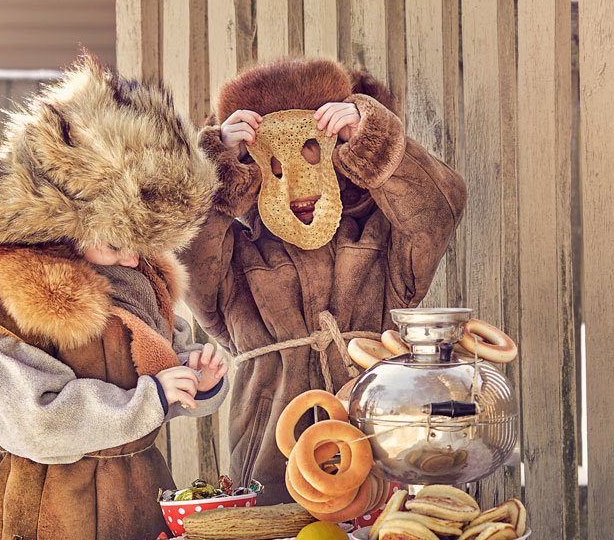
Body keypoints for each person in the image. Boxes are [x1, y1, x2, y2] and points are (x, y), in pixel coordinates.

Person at [0, 54, 224, 540]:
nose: (135, 257)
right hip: (52, 521)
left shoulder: (136, 281)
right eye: (119, 239)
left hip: (133, 508)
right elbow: (39, 422)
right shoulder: (11, 311)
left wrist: (194, 381)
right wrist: (150, 400)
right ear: (65, 226)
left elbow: (164, 364)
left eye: (145, 241)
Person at [181, 57, 467, 506]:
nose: (295, 178)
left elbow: (439, 208)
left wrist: (372, 142)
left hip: (375, 463)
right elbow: (187, 256)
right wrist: (214, 166)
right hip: (268, 471)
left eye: (311, 154)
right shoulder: (235, 254)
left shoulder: (380, 237)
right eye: (272, 163)